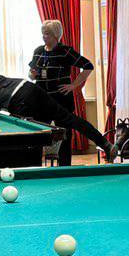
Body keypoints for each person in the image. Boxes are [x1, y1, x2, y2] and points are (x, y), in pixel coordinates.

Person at [0, 64, 116, 161]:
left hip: (21, 101)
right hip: (30, 87)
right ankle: (106, 144)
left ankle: (40, 160)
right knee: (69, 118)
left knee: (28, 140)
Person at [28, 19, 94, 165]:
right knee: (39, 133)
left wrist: (74, 85)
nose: (44, 36)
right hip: (42, 98)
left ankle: (65, 167)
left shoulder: (65, 51)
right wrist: (32, 74)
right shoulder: (38, 51)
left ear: (56, 35)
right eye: (43, 33)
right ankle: (36, 166)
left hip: (61, 99)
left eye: (47, 34)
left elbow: (88, 66)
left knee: (65, 134)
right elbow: (31, 75)